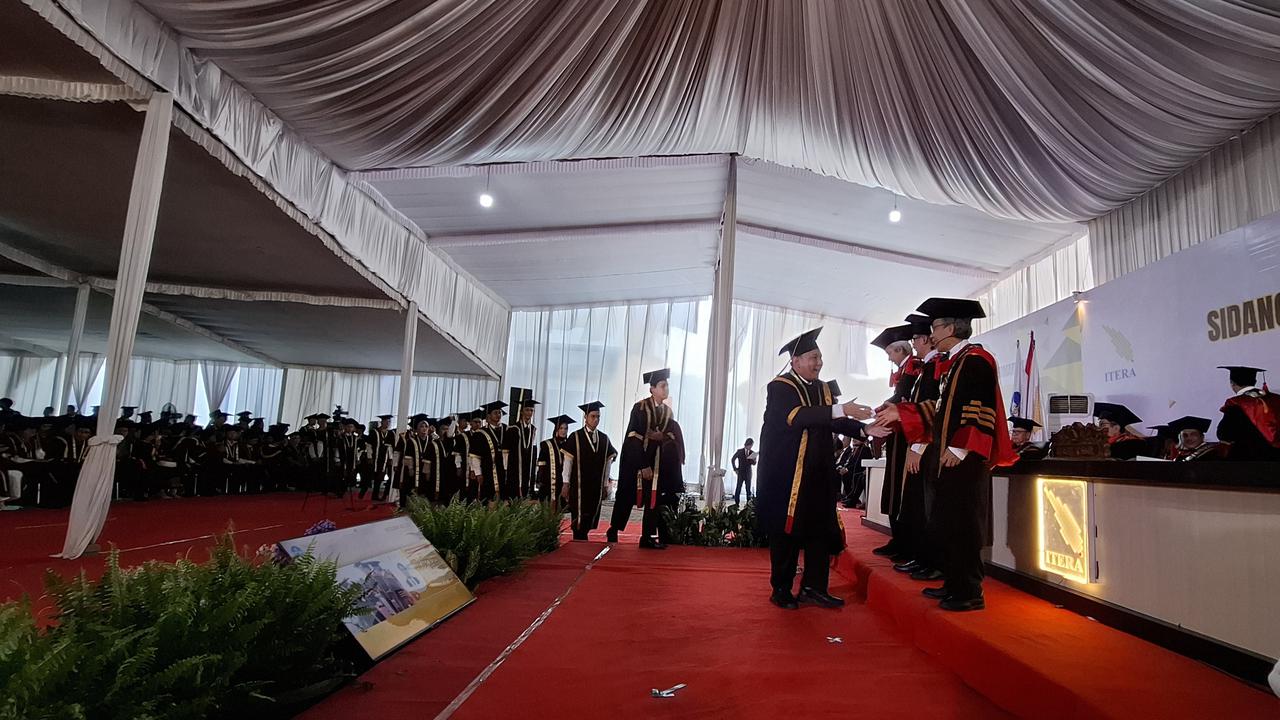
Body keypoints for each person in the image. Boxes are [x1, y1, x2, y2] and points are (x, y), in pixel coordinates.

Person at [875, 298, 1018, 612]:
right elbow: (937, 411)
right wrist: (901, 411)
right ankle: (953, 584)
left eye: (936, 326)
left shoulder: (977, 359)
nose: (931, 332)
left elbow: (982, 408)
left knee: (964, 524)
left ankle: (969, 591)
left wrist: (960, 447)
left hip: (963, 460)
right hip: (945, 458)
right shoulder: (953, 363)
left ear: (952, 327)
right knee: (948, 523)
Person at [757, 327, 876, 610]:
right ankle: (782, 589)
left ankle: (814, 587)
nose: (818, 363)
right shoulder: (780, 386)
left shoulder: (822, 388)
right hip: (787, 473)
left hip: (819, 471)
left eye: (820, 357)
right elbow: (796, 417)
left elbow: (832, 421)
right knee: (786, 532)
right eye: (812, 357)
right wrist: (841, 410)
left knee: (819, 530)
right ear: (796, 361)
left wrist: (865, 429)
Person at [609, 369, 685, 548]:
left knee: (654, 499)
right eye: (662, 386)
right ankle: (613, 529)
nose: (666, 389)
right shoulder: (641, 407)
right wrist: (642, 465)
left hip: (657, 464)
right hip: (637, 462)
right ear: (652, 389)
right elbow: (633, 436)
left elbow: (670, 436)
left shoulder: (668, 412)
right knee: (626, 495)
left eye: (667, 385)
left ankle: (647, 537)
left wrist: (662, 437)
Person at [868, 324, 919, 560]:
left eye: (889, 352)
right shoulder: (905, 368)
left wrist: (879, 410)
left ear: (900, 349)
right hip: (899, 433)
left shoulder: (914, 367)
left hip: (910, 435)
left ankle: (906, 542)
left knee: (901, 489)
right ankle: (897, 539)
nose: (888, 357)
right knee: (893, 488)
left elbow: (901, 398)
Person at [560, 401, 617, 541]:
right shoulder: (576, 437)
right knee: (578, 512)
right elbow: (568, 461)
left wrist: (605, 483)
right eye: (593, 416)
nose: (596, 419)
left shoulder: (604, 439)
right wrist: (565, 483)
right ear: (585, 417)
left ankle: (583, 535)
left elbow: (608, 462)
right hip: (579, 485)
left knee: (591, 511)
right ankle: (579, 537)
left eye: (598, 416)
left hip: (595, 485)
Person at [1216, 366, 1280, 461]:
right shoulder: (1276, 399)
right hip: (1276, 457)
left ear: (1232, 383)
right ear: (1254, 381)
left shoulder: (1236, 403)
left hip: (1248, 459)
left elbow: (1225, 433)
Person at [469, 401, 509, 501]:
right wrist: (478, 473)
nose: (498, 415)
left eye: (500, 412)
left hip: (504, 469)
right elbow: (475, 456)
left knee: (504, 495)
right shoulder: (480, 433)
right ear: (488, 416)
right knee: (487, 495)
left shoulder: (507, 430)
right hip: (487, 469)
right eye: (495, 412)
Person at [504, 388, 540, 498]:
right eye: (527, 410)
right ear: (521, 411)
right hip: (514, 467)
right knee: (513, 494)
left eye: (531, 410)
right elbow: (506, 451)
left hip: (527, 467)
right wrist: (505, 468)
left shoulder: (533, 429)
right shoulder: (512, 429)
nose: (529, 413)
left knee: (525, 492)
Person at [536, 414, 574, 503]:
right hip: (548, 482)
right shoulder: (546, 444)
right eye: (561, 428)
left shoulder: (569, 445)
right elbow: (542, 465)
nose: (563, 431)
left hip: (563, 482)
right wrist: (540, 480)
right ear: (556, 429)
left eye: (565, 428)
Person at [397, 415, 432, 508]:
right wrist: (410, 468)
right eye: (421, 426)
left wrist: (427, 470)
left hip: (425, 469)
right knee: (409, 487)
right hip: (412, 469)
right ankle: (405, 507)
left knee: (423, 488)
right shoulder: (411, 441)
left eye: (426, 426)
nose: (424, 429)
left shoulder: (431, 441)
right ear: (417, 429)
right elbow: (408, 457)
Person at [731, 438, 756, 505]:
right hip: (741, 472)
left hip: (748, 473)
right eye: (750, 445)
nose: (751, 447)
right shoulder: (739, 451)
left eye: (752, 446)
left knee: (748, 489)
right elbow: (733, 459)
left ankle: (748, 504)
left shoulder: (752, 453)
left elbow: (754, 464)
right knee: (738, 488)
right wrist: (735, 469)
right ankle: (736, 504)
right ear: (747, 444)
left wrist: (753, 459)